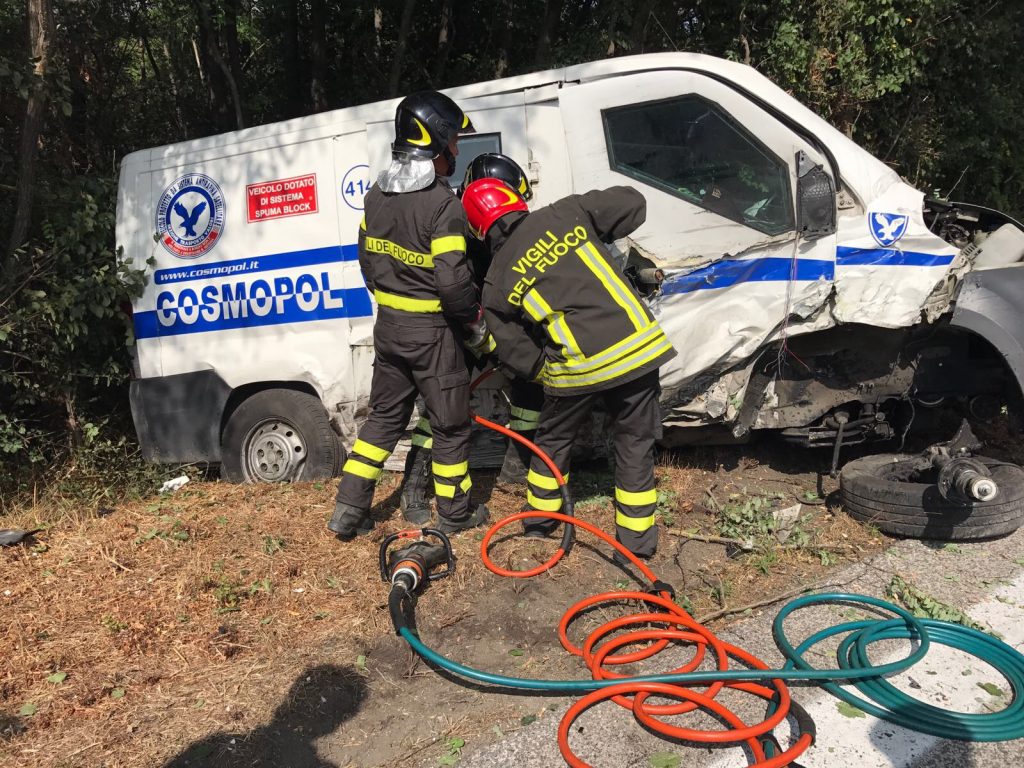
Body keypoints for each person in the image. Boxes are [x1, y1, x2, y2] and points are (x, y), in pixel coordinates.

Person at [461, 180, 677, 558]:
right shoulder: (566, 213)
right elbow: (633, 203)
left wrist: (543, 369)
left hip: (577, 368)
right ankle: (637, 544)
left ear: (480, 230)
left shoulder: (496, 281)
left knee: (552, 444)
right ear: (515, 200)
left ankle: (540, 526)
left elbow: (511, 346)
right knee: (634, 444)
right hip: (638, 351)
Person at [328, 91, 491, 539]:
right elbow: (456, 288)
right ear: (435, 142)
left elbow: (367, 264)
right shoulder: (442, 205)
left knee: (382, 420)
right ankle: (456, 514)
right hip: (434, 338)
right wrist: (477, 333)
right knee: (451, 425)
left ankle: (348, 510)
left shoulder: (375, 197)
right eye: (453, 141)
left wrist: (397, 298)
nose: (457, 150)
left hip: (390, 331)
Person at [399, 153, 544, 522]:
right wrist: (479, 336)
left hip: (494, 326)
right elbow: (453, 290)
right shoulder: (454, 227)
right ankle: (414, 488)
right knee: (442, 409)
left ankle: (517, 467)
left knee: (531, 387)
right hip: (455, 329)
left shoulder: (501, 229)